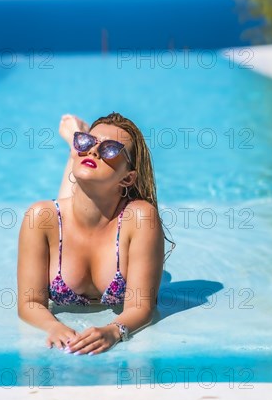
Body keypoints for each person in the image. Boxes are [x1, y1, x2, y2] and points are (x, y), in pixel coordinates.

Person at [17, 112, 175, 356]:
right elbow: (29, 303)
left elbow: (141, 306)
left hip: (107, 212)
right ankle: (73, 136)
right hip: (66, 215)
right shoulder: (40, 218)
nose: (93, 151)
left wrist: (114, 330)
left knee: (84, 195)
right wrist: (53, 326)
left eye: (110, 149)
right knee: (66, 204)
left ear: (128, 178)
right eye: (85, 142)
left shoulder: (140, 219)